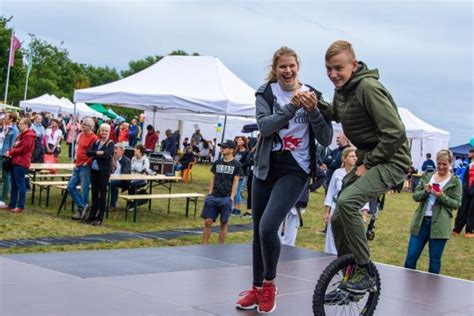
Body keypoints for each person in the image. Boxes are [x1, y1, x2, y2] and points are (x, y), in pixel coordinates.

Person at [236, 47, 332, 313]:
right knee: (257, 231)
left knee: (268, 227)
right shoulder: (265, 93)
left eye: (292, 66)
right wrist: (291, 107)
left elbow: (326, 138)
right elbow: (265, 127)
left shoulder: (313, 95)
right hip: (266, 166)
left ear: (298, 66)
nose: (287, 71)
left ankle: (269, 285)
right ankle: (256, 289)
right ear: (275, 69)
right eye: (282, 67)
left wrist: (312, 111)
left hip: (296, 168)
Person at [318, 40, 411, 296]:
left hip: (392, 159)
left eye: (338, 68)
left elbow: (395, 133)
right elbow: (334, 114)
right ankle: (351, 278)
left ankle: (364, 271)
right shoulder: (343, 90)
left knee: (347, 203)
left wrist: (368, 164)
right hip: (370, 158)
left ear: (354, 65)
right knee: (338, 216)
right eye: (328, 69)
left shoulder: (368, 88)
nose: (333, 74)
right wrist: (313, 101)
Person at [404, 150, 462, 274]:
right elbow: (415, 196)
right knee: (411, 257)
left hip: (440, 225)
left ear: (450, 163)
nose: (441, 167)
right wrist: (426, 191)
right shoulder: (427, 175)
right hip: (421, 222)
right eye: (439, 163)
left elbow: (457, 203)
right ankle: (407, 287)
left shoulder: (455, 181)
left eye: (445, 164)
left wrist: (441, 196)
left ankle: (432, 291)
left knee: (434, 261)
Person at [323, 147, 369, 255]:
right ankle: (329, 259)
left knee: (350, 237)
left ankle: (347, 261)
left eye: (355, 156)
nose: (354, 158)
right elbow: (330, 192)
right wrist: (327, 211)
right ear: (344, 159)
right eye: (351, 156)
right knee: (332, 236)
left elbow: (364, 194)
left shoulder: (360, 174)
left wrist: (364, 212)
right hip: (336, 207)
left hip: (352, 209)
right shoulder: (337, 173)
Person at [201, 140, 241, 245]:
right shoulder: (217, 162)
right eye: (221, 147)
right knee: (207, 222)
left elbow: (236, 182)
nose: (222, 149)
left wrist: (231, 197)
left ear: (232, 150)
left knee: (223, 223)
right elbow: (213, 178)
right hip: (213, 196)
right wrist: (210, 193)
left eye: (225, 147)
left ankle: (220, 247)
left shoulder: (237, 165)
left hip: (226, 198)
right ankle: (204, 245)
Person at [2, 118, 35, 213]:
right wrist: (11, 151)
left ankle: (20, 206)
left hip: (21, 162)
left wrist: (11, 152)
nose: (19, 125)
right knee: (14, 184)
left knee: (20, 185)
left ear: (26, 125)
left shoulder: (29, 136)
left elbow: (23, 149)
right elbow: (16, 146)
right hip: (15, 161)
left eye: (21, 124)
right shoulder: (22, 135)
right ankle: (12, 204)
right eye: (19, 123)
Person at [84, 123, 115, 225]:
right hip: (94, 171)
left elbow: (106, 155)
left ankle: (99, 217)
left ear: (109, 132)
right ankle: (92, 215)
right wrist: (99, 153)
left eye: (106, 131)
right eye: (102, 130)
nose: (104, 132)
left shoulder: (110, 143)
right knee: (94, 194)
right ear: (99, 131)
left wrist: (95, 153)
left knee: (102, 194)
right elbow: (88, 152)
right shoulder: (97, 142)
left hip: (103, 173)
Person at [68, 118, 98, 221]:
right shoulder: (81, 135)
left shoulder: (94, 138)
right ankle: (83, 206)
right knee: (70, 186)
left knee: (84, 189)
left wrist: (87, 162)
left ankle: (81, 211)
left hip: (86, 166)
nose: (81, 125)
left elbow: (94, 154)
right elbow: (78, 149)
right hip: (78, 164)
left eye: (84, 124)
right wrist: (76, 162)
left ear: (89, 126)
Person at [277, 182, 309, 246]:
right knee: (278, 229)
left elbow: (321, 176)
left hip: (297, 201)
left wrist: (308, 188)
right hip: (282, 197)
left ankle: (288, 250)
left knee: (291, 230)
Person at [452, 148, 474, 238]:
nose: (469, 154)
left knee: (472, 211)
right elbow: (464, 177)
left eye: (471, 152)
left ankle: (469, 230)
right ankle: (457, 229)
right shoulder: (467, 164)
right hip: (466, 189)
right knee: (462, 209)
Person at [0, 112, 19, 207]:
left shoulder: (14, 130)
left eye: (6, 117)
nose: (4, 117)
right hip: (1, 152)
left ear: (11, 119)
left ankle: (2, 199)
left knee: (5, 177)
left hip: (5, 155)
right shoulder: (5, 127)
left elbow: (13, 145)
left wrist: (9, 155)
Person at [109, 143, 132, 212]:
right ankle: (100, 204)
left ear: (122, 151)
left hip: (123, 181)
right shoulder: (112, 158)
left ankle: (112, 205)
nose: (115, 151)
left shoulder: (126, 160)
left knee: (113, 183)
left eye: (117, 149)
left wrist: (115, 176)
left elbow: (125, 173)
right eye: (114, 149)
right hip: (112, 178)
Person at [232, 136, 249, 216]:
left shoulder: (246, 152)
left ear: (244, 142)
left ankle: (238, 210)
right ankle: (234, 208)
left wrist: (239, 166)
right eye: (238, 140)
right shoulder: (236, 151)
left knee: (237, 192)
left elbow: (247, 163)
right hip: (233, 173)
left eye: (240, 140)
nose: (239, 141)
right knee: (233, 191)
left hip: (242, 174)